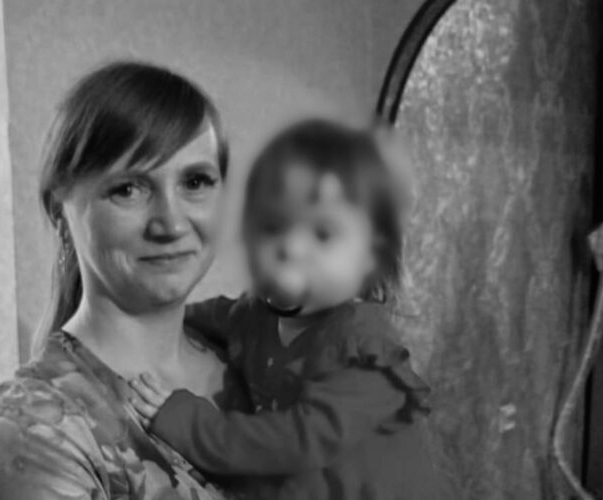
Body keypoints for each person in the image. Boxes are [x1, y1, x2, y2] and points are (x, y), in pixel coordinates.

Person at [0, 61, 248, 500]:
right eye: (128, 189)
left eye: (195, 181)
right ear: (60, 210)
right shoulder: (32, 434)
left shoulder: (258, 355)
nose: (171, 223)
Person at [129, 119, 447, 499]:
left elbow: (294, 442)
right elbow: (217, 314)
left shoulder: (362, 349)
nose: (292, 248)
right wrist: (158, 311)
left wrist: (188, 422)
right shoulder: (257, 314)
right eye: (274, 225)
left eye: (323, 233)